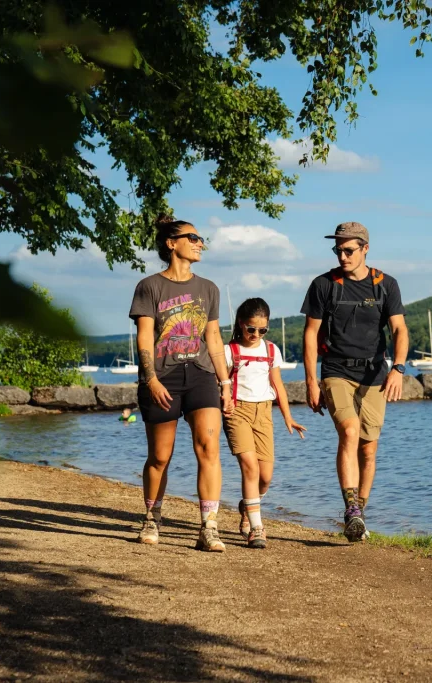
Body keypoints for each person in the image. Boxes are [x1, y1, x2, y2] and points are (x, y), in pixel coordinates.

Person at [129, 214, 233, 552]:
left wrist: (225, 382)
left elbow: (213, 338)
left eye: (201, 239)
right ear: (171, 244)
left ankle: (209, 527)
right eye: (193, 237)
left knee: (209, 447)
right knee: (160, 456)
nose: (200, 243)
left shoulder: (209, 288)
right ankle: (151, 517)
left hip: (200, 374)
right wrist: (151, 379)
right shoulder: (150, 286)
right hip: (163, 377)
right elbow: (145, 337)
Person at [301, 221, 408, 542]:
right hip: (336, 370)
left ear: (365, 249)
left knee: (369, 448)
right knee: (349, 431)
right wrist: (310, 381)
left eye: (348, 250)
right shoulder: (324, 285)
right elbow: (309, 335)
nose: (342, 256)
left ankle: (358, 515)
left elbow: (399, 329)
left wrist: (398, 369)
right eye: (337, 250)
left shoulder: (385, 285)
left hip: (375, 373)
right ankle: (351, 510)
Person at [223, 297, 307, 549]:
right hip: (237, 411)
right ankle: (257, 527)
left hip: (264, 413)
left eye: (262, 330)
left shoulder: (271, 350)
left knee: (266, 476)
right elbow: (221, 383)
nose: (256, 334)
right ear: (241, 324)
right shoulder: (230, 351)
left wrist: (288, 417)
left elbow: (278, 385)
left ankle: (248, 506)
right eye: (251, 329)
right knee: (249, 466)